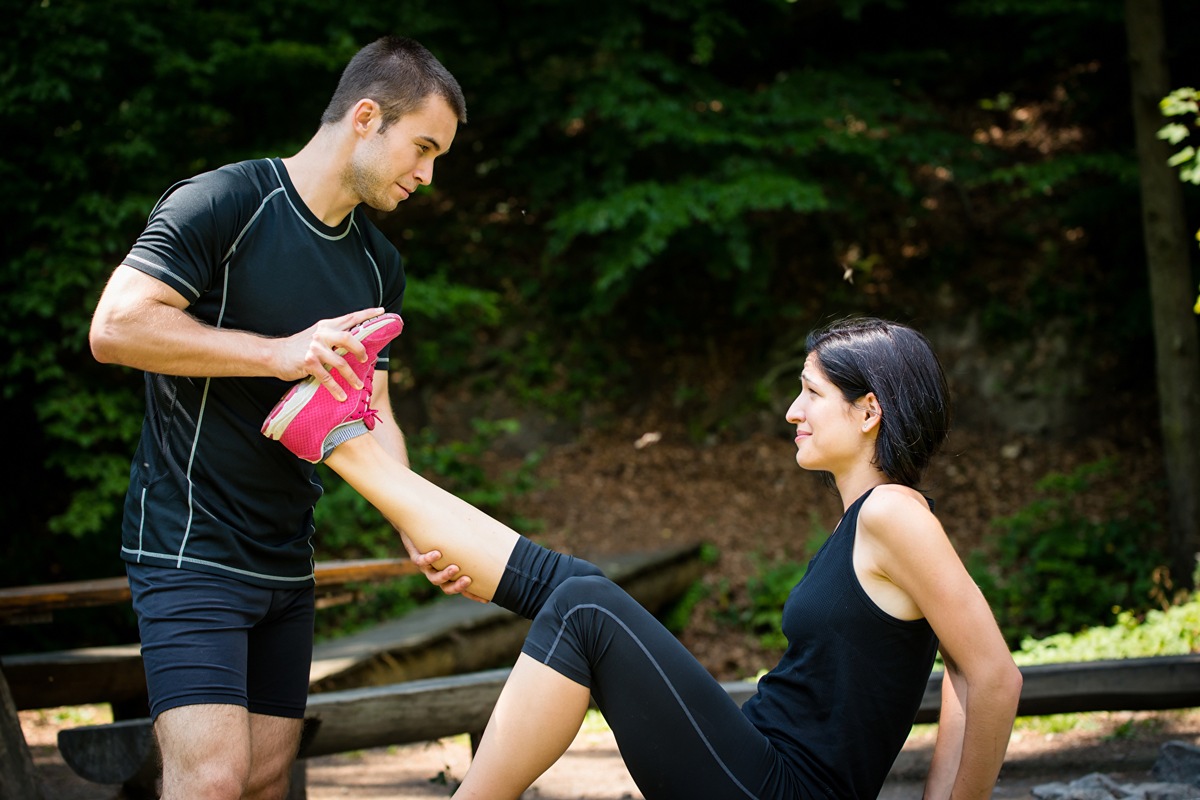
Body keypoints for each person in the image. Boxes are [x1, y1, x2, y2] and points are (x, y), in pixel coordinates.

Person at [262, 315, 1024, 800]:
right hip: (758, 759)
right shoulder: (867, 520)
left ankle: (343, 444)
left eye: (810, 392)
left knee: (586, 604)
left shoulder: (894, 513)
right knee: (579, 593)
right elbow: (962, 674)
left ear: (868, 411)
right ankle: (342, 442)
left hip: (779, 786)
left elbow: (992, 674)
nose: (792, 410)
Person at [87, 36, 467, 800]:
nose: (427, 175)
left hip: (287, 557)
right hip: (189, 544)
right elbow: (115, 327)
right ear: (366, 117)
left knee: (264, 781)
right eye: (422, 148)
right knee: (212, 781)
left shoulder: (377, 264)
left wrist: (416, 520)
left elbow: (374, 412)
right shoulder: (223, 202)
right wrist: (277, 354)